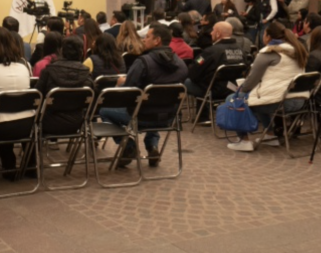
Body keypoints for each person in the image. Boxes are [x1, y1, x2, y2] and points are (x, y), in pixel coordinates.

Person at [99, 24, 188, 167]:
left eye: (147, 37)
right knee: (157, 102)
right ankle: (152, 146)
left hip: (141, 117)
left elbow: (128, 92)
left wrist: (122, 83)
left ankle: (129, 146)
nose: (144, 40)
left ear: (157, 40)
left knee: (104, 111)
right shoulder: (182, 64)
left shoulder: (143, 62)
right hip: (169, 117)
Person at [228, 21, 308, 152]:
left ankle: (244, 141)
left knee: (233, 99)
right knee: (258, 97)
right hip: (298, 100)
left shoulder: (267, 54)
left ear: (268, 36)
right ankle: (270, 136)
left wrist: (241, 90)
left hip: (278, 102)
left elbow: (250, 82)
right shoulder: (297, 51)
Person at [0, 27, 35, 179]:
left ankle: (4, 167)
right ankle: (32, 166)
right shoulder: (24, 66)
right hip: (28, 125)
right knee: (10, 110)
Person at [35, 36, 93, 135]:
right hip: (77, 123)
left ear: (62, 51)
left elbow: (37, 96)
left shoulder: (48, 71)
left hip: (47, 122)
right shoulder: (86, 74)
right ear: (81, 52)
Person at [184, 21, 246, 103]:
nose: (211, 33)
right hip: (234, 89)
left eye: (213, 30)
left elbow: (194, 70)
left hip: (214, 91)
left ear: (218, 34)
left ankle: (202, 115)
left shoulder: (210, 51)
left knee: (188, 82)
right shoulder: (242, 51)